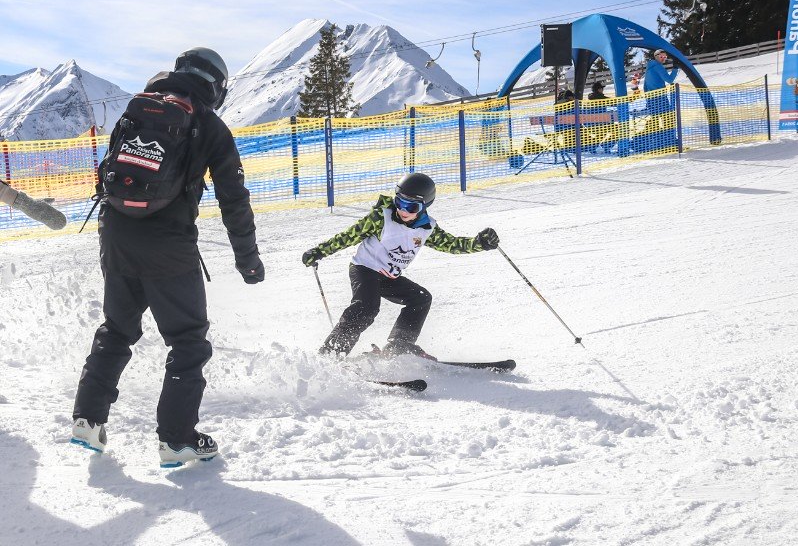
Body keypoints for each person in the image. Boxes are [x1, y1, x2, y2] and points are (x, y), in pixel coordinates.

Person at [71, 47, 264, 467]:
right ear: (217, 86)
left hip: (116, 234)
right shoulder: (210, 126)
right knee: (188, 341)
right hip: (169, 244)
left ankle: (87, 420)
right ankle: (177, 440)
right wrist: (247, 259)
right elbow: (235, 199)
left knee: (117, 329)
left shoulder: (137, 110)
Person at [302, 172, 499, 359]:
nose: (403, 210)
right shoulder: (382, 217)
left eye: (411, 207)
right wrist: (319, 251)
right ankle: (331, 353)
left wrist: (479, 243)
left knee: (420, 299)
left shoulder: (427, 228)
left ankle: (399, 344)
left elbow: (453, 244)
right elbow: (348, 236)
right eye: (400, 202)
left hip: (388, 276)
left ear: (424, 206)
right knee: (367, 307)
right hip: (365, 268)